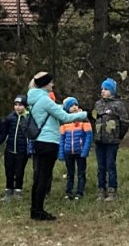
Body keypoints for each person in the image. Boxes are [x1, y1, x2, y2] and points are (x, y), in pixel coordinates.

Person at [28, 72, 88, 220]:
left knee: (38, 177)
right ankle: (39, 211)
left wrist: (64, 105)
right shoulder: (45, 100)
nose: (52, 85)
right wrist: (83, 114)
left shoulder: (34, 98)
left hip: (39, 141)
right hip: (49, 141)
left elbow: (56, 109)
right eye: (50, 82)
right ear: (45, 84)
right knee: (44, 177)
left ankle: (34, 209)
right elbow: (64, 117)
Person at [93, 77, 128, 201]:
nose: (103, 91)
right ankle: (101, 189)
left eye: (106, 89)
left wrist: (118, 136)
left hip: (112, 141)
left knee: (110, 165)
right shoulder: (98, 104)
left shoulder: (118, 105)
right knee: (100, 166)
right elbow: (95, 119)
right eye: (102, 89)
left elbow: (124, 122)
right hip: (99, 140)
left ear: (112, 91)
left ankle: (112, 190)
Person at [58, 96, 92, 200]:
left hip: (80, 151)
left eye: (75, 105)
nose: (74, 107)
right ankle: (69, 192)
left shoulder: (83, 119)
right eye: (71, 105)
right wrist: (61, 152)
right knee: (70, 173)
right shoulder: (64, 121)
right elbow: (61, 138)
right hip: (68, 151)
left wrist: (85, 150)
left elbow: (89, 136)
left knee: (81, 173)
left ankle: (80, 192)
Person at [2, 94, 31, 201]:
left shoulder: (28, 118)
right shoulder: (10, 118)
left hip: (22, 150)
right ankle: (8, 191)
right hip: (9, 149)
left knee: (19, 171)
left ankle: (18, 190)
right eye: (16, 105)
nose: (17, 107)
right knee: (9, 171)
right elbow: (4, 132)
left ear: (25, 106)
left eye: (20, 105)